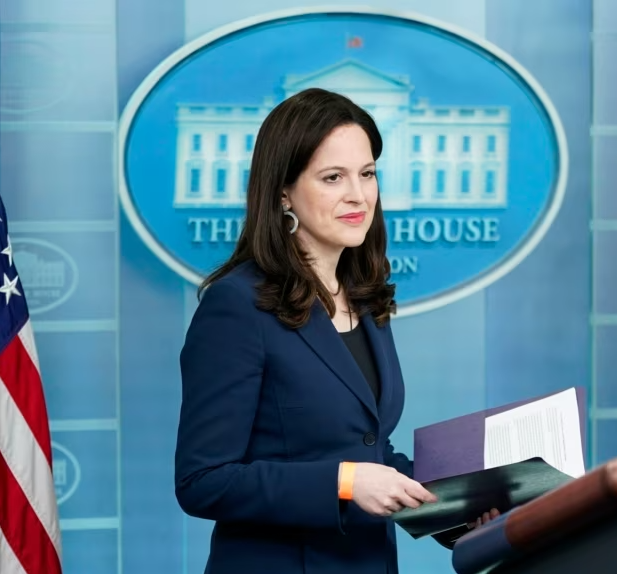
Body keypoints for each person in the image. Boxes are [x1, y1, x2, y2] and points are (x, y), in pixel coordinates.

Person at [174, 88, 498, 574]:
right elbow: (204, 480)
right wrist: (343, 483)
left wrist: (460, 513)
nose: (358, 195)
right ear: (283, 191)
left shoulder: (364, 295)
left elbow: (368, 448)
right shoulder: (236, 305)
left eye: (367, 174)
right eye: (333, 178)